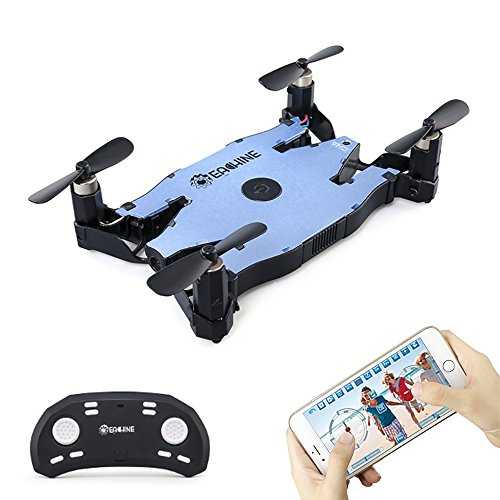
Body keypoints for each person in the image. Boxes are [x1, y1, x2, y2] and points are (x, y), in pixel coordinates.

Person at [288, 331, 500, 500]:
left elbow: (392, 398)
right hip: (390, 422)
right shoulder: (373, 405)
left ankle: (414, 416)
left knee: (406, 424)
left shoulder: (383, 396)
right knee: (398, 435)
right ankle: (408, 424)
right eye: (366, 395)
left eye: (370, 392)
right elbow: (374, 418)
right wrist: (379, 427)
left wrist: (405, 397)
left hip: (406, 405)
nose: (370, 394)